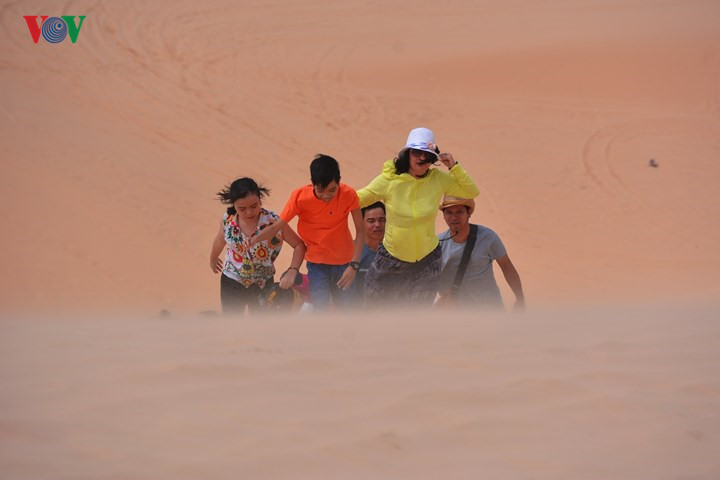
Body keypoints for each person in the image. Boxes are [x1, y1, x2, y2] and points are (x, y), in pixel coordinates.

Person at [357, 127, 479, 305]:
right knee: (375, 308)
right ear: (408, 154)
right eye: (417, 152)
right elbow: (358, 199)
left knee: (416, 315)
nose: (422, 158)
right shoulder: (389, 180)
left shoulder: (438, 179)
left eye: (427, 155)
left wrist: (454, 166)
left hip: (427, 260)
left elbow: (471, 191)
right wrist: (329, 195)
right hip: (391, 257)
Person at [250, 154, 364, 310]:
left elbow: (360, 229)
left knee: (349, 309)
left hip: (345, 264)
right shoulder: (299, 198)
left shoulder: (349, 194)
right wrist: (254, 239)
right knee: (320, 309)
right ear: (312, 183)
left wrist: (354, 266)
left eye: (332, 190)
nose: (326, 196)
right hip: (317, 265)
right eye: (320, 190)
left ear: (339, 181)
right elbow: (277, 227)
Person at [209, 177, 306, 315]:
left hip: (263, 284)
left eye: (254, 206)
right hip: (231, 280)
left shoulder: (273, 221)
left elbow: (299, 245)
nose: (249, 212)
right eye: (242, 209)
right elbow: (220, 240)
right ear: (233, 205)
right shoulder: (227, 219)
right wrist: (213, 258)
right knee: (231, 324)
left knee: (260, 325)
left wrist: (293, 270)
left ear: (260, 199)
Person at [436, 195, 525, 310]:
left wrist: (520, 298)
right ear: (443, 215)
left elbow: (507, 267)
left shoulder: (487, 237)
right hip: (456, 313)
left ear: (469, 213)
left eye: (459, 212)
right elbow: (430, 278)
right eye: (449, 213)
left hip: (488, 310)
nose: (454, 217)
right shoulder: (437, 243)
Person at [352, 201, 386, 302]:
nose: (377, 225)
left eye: (382, 220)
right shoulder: (349, 251)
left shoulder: (397, 253)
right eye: (371, 221)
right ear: (361, 223)